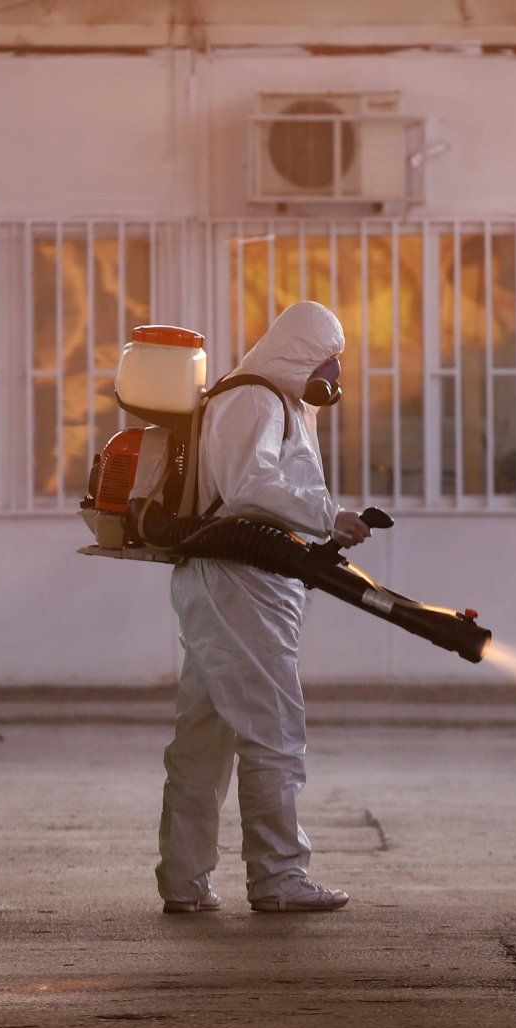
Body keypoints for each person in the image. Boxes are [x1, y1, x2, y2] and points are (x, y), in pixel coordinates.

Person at [157, 301, 373, 914]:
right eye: (327, 358)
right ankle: (278, 878)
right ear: (300, 352)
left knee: (205, 735)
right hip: (239, 583)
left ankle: (184, 881)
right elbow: (250, 488)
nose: (333, 372)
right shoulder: (252, 399)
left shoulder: (277, 402)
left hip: (242, 582)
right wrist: (330, 517)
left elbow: (273, 490)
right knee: (273, 731)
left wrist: (321, 531)